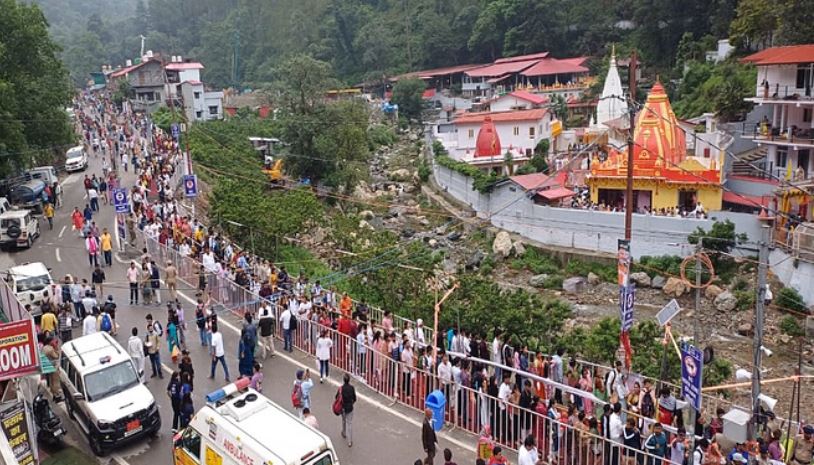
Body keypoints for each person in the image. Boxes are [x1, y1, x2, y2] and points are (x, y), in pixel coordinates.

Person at [340, 373, 356, 447]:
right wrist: (351, 403)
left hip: (343, 408)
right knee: (349, 423)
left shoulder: (341, 388)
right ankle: (350, 441)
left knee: (343, 421)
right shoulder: (352, 388)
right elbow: (355, 398)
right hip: (350, 408)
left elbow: (336, 397)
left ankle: (343, 432)